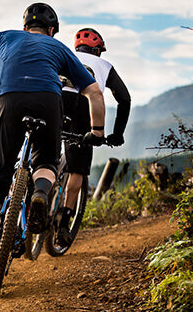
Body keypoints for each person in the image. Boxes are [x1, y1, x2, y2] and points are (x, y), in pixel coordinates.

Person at [0, 3, 106, 269]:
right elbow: (94, 92)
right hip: (47, 100)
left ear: (25, 27)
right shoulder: (59, 48)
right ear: (51, 31)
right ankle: (39, 193)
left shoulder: (4, 37)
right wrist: (96, 132)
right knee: (46, 161)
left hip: (8, 101)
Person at [57, 27, 131, 246]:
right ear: (98, 50)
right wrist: (117, 134)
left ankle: (33, 196)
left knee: (42, 155)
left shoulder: (63, 54)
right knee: (76, 170)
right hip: (84, 107)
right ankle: (63, 223)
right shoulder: (105, 66)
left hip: (55, 101)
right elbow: (124, 100)